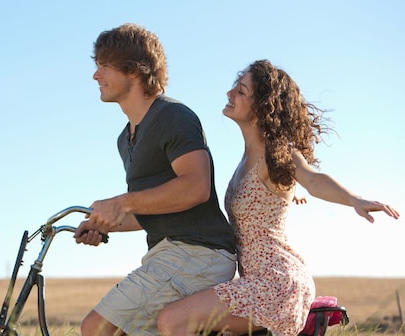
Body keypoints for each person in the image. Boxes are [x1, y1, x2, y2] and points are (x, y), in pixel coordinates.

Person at [156, 59, 400, 336]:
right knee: (175, 316)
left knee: (172, 320)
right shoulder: (246, 161)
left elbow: (312, 179)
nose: (229, 94)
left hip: (277, 283)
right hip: (255, 281)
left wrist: (354, 199)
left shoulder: (277, 155)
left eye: (241, 91)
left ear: (262, 107)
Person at [72, 23, 237, 336]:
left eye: (104, 66)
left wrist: (120, 202)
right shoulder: (126, 138)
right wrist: (104, 223)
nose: (96, 76)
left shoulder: (173, 116)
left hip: (197, 252)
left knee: (96, 328)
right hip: (168, 253)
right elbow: (151, 209)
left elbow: (195, 187)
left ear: (134, 71)